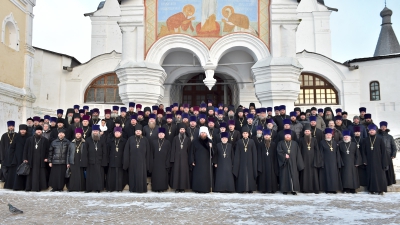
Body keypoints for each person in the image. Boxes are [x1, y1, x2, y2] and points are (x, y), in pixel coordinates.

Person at [123, 124, 152, 193]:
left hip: (142, 161)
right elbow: (126, 151)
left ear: (141, 132)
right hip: (132, 161)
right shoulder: (130, 139)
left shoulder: (145, 139)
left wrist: (148, 164)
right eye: (137, 131)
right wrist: (126, 162)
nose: (138, 132)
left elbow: (148, 152)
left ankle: (142, 189)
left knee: (141, 176)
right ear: (135, 132)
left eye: (139, 131)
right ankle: (133, 189)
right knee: (132, 175)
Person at [362, 124, 388, 195]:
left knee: (380, 176)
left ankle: (381, 190)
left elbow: (383, 152)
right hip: (369, 161)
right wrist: (364, 160)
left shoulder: (380, 139)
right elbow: (363, 152)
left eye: (373, 130)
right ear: (368, 131)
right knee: (371, 176)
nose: (372, 131)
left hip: (379, 161)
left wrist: (384, 162)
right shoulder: (365, 140)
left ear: (375, 131)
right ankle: (371, 189)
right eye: (370, 130)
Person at [277, 129, 304, 195]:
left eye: (289, 135)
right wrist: (284, 155)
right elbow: (279, 152)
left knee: (294, 175)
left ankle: (293, 190)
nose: (287, 136)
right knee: (284, 176)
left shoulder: (295, 143)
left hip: (293, 162)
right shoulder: (280, 143)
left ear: (291, 136)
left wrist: (299, 164)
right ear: (284, 136)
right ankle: (284, 190)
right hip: (284, 163)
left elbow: (298, 154)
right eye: (286, 135)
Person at [23, 125, 50, 192]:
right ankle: (29, 187)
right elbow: (25, 149)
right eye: (37, 130)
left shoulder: (45, 140)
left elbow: (48, 150)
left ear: (41, 131)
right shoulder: (29, 139)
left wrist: (47, 157)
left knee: (40, 173)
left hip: (41, 160)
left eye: (40, 130)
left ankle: (39, 187)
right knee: (31, 174)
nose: (38, 131)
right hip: (31, 159)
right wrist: (25, 158)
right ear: (35, 131)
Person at [83, 125, 108, 193]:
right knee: (90, 176)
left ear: (99, 132)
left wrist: (104, 162)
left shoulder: (102, 140)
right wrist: (85, 162)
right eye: (94, 131)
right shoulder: (88, 140)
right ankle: (89, 188)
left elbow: (104, 152)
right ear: (92, 132)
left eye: (96, 131)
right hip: (90, 161)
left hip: (99, 161)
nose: (95, 132)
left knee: (99, 176)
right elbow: (85, 152)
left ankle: (98, 188)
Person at [233, 126, 258, 193]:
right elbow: (237, 153)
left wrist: (254, 161)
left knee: (250, 174)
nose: (245, 134)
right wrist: (237, 162)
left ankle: (250, 188)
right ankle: (241, 188)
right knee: (242, 174)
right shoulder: (239, 142)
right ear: (242, 134)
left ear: (248, 134)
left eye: (246, 133)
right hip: (241, 161)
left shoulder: (252, 142)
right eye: (244, 133)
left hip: (250, 161)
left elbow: (254, 153)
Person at [190, 126, 214, 193]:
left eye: (204, 133)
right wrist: (192, 160)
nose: (203, 134)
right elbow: (191, 152)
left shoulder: (210, 141)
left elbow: (213, 153)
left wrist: (211, 148)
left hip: (206, 162)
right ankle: (197, 189)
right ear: (200, 133)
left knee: (206, 176)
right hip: (197, 162)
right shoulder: (195, 141)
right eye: (202, 133)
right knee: (198, 176)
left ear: (207, 133)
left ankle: (206, 189)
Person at [4, 124, 28, 190]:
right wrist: (12, 157)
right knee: (15, 173)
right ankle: (15, 186)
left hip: (26, 157)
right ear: (19, 130)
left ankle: (24, 187)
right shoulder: (16, 137)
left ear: (26, 130)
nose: (23, 131)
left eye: (24, 130)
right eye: (21, 130)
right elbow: (12, 148)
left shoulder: (29, 137)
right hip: (17, 158)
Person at [319, 128, 343, 194]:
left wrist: (338, 162)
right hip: (326, 162)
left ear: (332, 135)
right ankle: (327, 189)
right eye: (327, 135)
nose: (328, 136)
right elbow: (320, 153)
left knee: (334, 176)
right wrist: (321, 162)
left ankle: (334, 189)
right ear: (325, 135)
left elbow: (337, 153)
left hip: (334, 162)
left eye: (329, 134)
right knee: (327, 176)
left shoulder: (334, 143)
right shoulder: (322, 142)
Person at [298, 125, 321, 194]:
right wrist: (300, 160)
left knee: (313, 174)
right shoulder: (301, 140)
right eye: (306, 131)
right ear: (304, 132)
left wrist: (316, 160)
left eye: (308, 131)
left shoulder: (314, 140)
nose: (307, 132)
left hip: (313, 160)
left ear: (310, 132)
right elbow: (299, 150)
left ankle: (314, 188)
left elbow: (317, 150)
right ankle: (304, 189)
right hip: (304, 159)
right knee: (304, 175)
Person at [170, 123, 191, 192]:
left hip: (185, 158)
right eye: (181, 129)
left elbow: (189, 150)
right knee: (176, 172)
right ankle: (177, 187)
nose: (182, 130)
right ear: (179, 130)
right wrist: (172, 159)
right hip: (176, 158)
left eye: (183, 129)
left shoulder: (187, 139)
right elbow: (173, 149)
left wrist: (189, 159)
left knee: (183, 173)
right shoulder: (175, 138)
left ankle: (182, 188)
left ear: (185, 130)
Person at [257, 129, 278, 194]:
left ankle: (272, 189)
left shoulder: (274, 144)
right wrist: (259, 165)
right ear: (263, 136)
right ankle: (263, 189)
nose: (266, 136)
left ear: (270, 136)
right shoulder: (260, 144)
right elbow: (259, 155)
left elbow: (275, 155)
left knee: (272, 175)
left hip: (271, 163)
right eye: (265, 135)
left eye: (268, 135)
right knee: (263, 176)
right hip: (263, 163)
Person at [106, 127, 127, 192]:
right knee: (111, 175)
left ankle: (119, 188)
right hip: (112, 160)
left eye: (118, 132)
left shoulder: (124, 141)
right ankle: (111, 188)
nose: (117, 134)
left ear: (121, 133)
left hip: (120, 160)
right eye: (116, 132)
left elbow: (125, 152)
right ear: (114, 133)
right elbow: (108, 151)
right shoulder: (110, 141)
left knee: (120, 175)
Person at [150, 127, 171, 192]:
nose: (161, 135)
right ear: (158, 135)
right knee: (156, 176)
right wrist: (151, 162)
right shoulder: (154, 142)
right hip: (155, 162)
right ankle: (155, 188)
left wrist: (167, 163)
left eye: (162, 134)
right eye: (160, 134)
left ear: (164, 135)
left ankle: (163, 188)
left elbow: (169, 153)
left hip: (164, 162)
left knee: (163, 176)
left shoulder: (167, 142)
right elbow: (151, 153)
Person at [66, 128, 87, 192]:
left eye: (79, 134)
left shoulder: (84, 143)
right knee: (73, 175)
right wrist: (67, 163)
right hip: (73, 161)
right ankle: (72, 188)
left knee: (80, 175)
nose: (78, 135)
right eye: (77, 134)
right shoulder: (71, 143)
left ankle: (80, 188)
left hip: (81, 161)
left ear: (81, 135)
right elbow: (68, 153)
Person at [378, 121, 397, 186]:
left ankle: (389, 181)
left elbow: (394, 146)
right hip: (380, 155)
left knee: (389, 169)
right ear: (380, 127)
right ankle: (382, 181)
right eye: (382, 127)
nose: (383, 128)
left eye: (384, 127)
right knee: (381, 168)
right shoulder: (377, 136)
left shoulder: (390, 137)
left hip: (388, 154)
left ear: (386, 127)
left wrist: (393, 154)